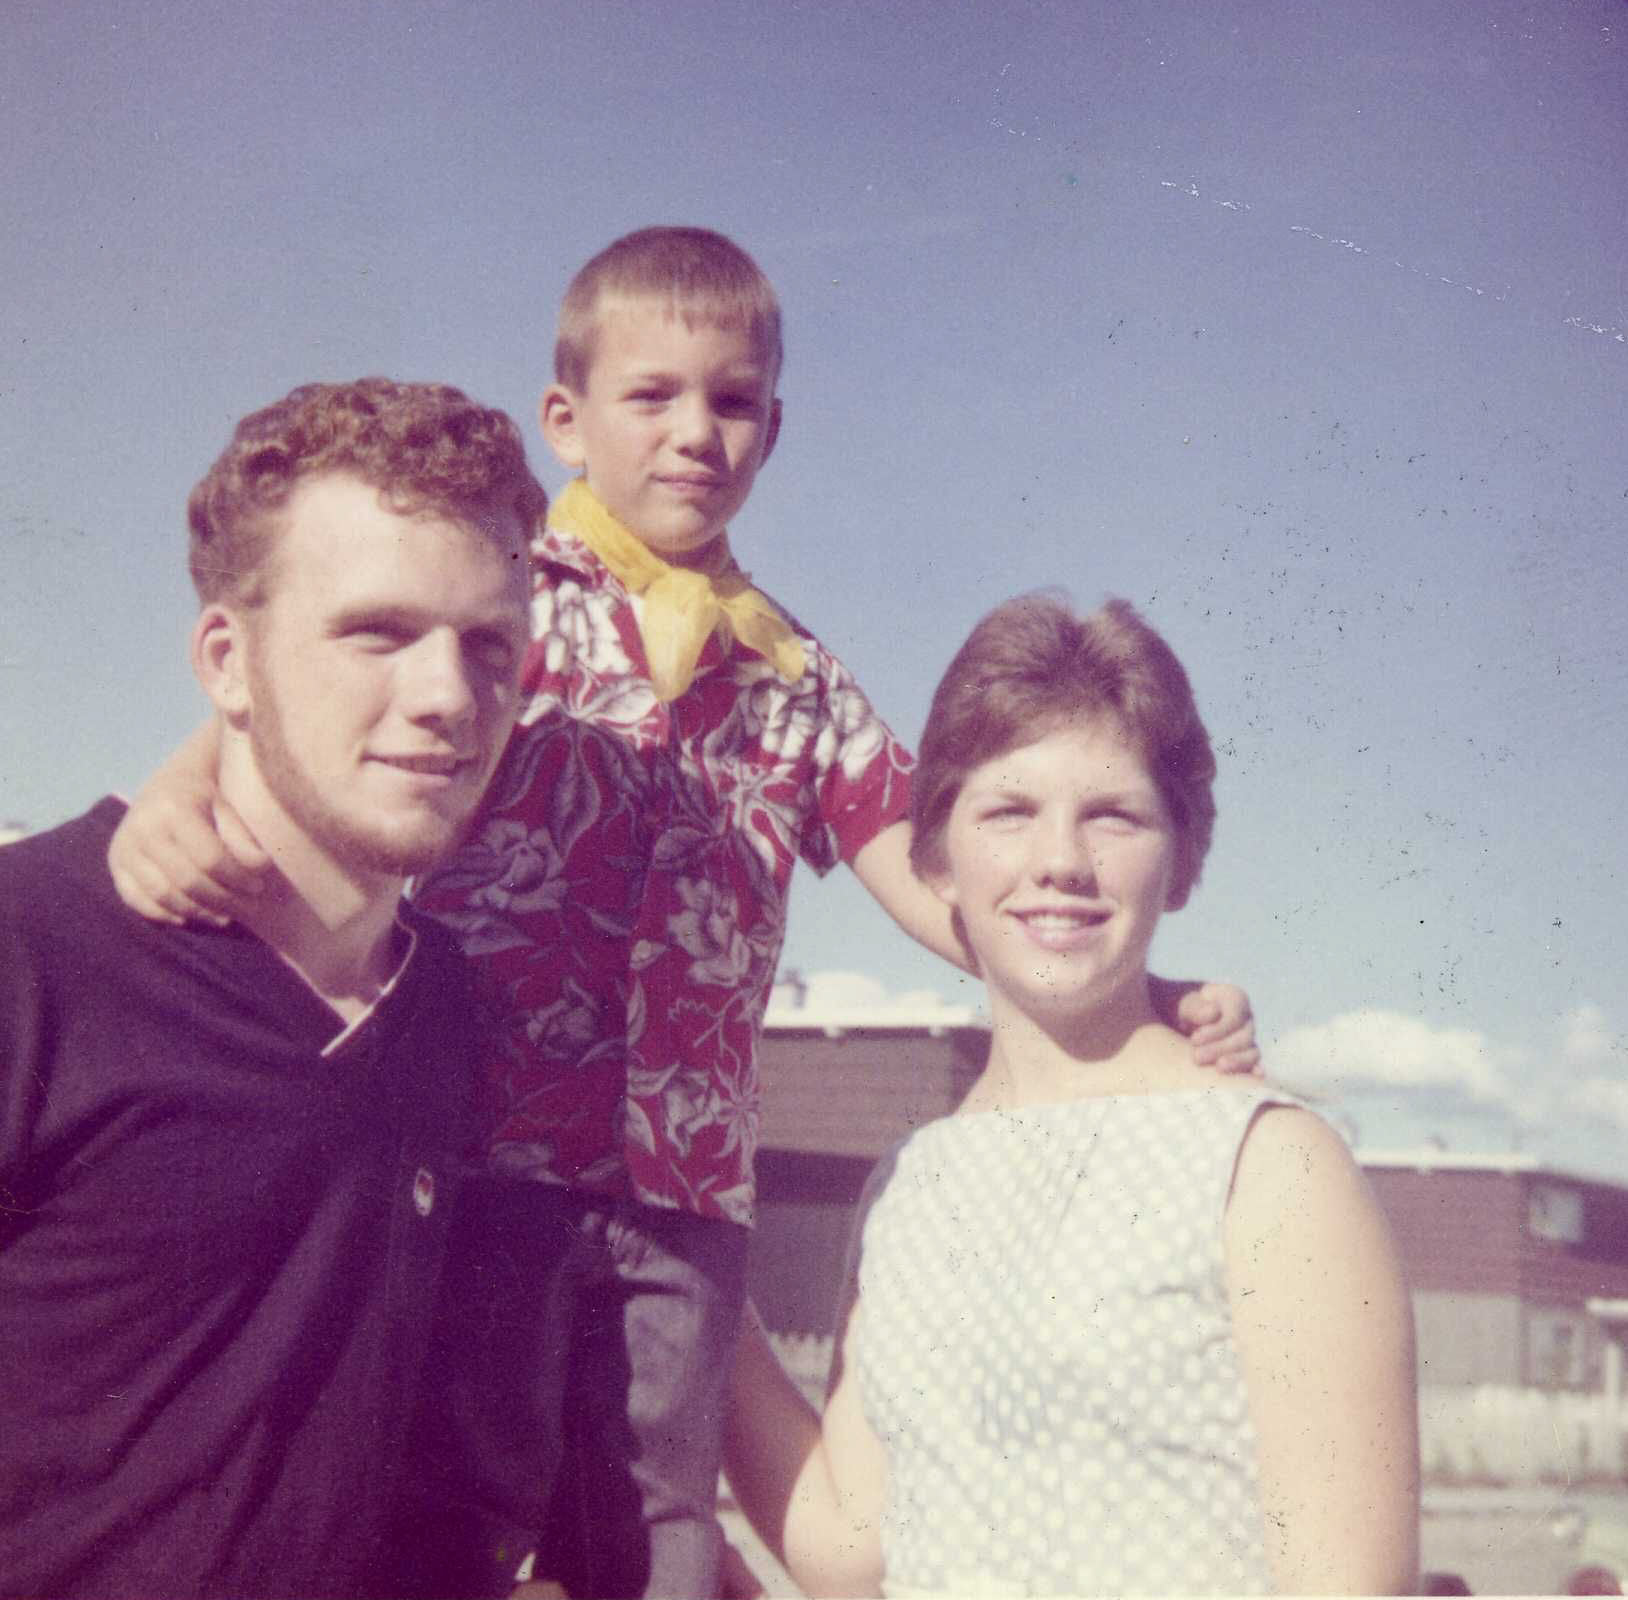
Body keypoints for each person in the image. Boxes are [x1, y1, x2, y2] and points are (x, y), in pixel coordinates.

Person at [107, 229, 1261, 1600]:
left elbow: (939, 868)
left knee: (656, 1519)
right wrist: (174, 795)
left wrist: (1133, 991)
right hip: (483, 1151)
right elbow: (290, 702)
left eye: (732, 402)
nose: (695, 433)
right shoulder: (500, 606)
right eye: (652, 396)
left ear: (772, 426)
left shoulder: (798, 678)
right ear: (567, 419)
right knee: (449, 1502)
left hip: (687, 1188)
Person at [722, 594, 1421, 1597]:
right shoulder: (911, 1183)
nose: (1059, 861)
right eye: (1007, 811)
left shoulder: (1268, 1165)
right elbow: (847, 1544)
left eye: (1113, 815)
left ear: (1180, 859)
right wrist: (699, 1265)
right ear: (934, 860)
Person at [0, 378, 539, 1599]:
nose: (449, 695)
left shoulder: (454, 1020)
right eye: (377, 632)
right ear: (225, 663)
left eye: (488, 643)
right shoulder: (29, 953)